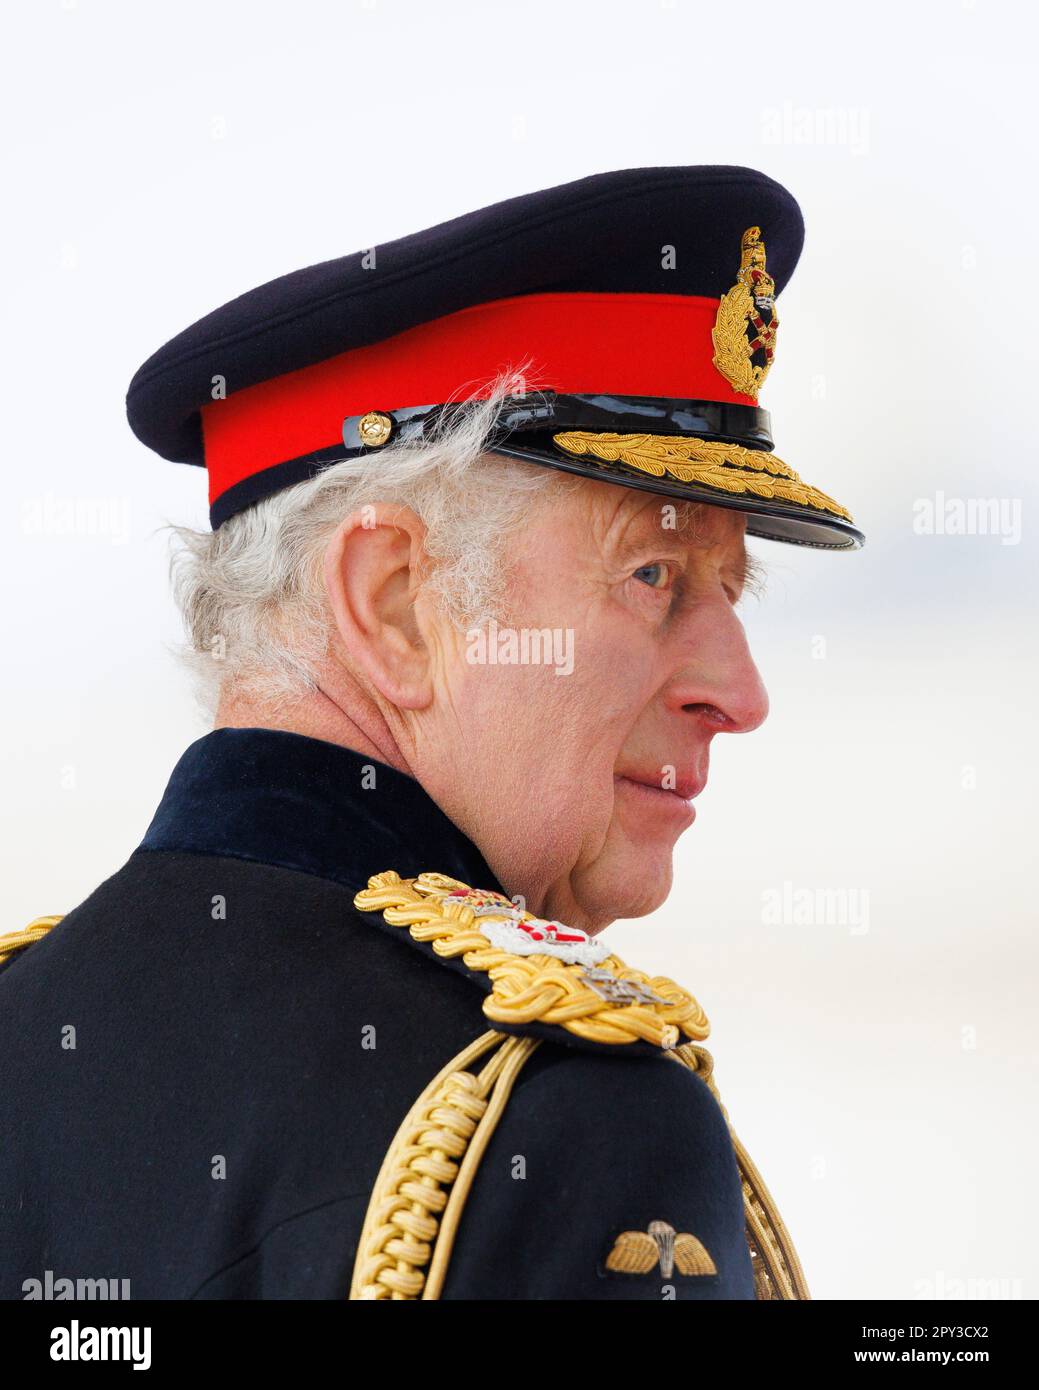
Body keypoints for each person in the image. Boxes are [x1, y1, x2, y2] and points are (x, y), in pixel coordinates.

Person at [0, 165, 860, 1301]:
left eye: (728, 592)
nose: (738, 694)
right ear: (396, 603)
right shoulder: (566, 1120)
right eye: (653, 574)